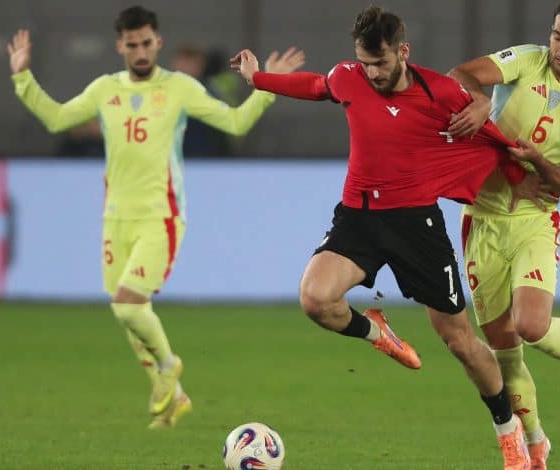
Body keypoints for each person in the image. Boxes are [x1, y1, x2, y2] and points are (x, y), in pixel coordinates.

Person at [232, 6, 542, 469]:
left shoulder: (439, 91)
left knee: (460, 341)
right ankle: (379, 333)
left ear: (403, 51)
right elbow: (315, 86)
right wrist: (259, 79)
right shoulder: (349, 77)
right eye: (365, 62)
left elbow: (491, 135)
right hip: (359, 218)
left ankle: (507, 429)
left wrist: (513, 162)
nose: (372, 73)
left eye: (380, 63)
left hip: (416, 224)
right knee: (315, 300)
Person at [7, 6, 304, 429]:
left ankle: (168, 366)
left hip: (161, 216)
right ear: (120, 46)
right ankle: (174, 397)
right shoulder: (105, 89)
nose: (141, 51)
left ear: (158, 42)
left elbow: (236, 123)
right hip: (115, 219)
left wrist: (266, 85)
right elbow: (57, 118)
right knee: (127, 313)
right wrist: (22, 76)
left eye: (147, 42)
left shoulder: (179, 88)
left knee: (129, 306)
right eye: (132, 44)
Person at [447, 0, 560, 467]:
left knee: (532, 325)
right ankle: (535, 441)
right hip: (481, 218)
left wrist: (538, 164)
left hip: (534, 220)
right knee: (504, 350)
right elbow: (461, 74)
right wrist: (479, 100)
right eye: (557, 36)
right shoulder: (525, 60)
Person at [171, 43, 231, 156]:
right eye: (182, 63)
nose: (185, 68)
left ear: (200, 66)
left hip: (204, 159)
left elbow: (220, 136)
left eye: (190, 64)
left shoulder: (210, 95)